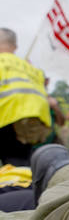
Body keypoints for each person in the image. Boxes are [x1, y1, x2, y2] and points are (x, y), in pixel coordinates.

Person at [0, 28, 57, 166]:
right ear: (15, 46)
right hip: (35, 122)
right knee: (19, 165)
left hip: (7, 116)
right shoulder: (32, 68)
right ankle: (21, 187)